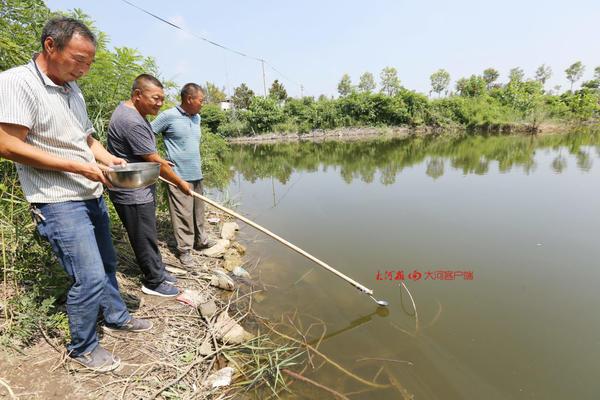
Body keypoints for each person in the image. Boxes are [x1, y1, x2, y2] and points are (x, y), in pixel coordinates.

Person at [0, 17, 152, 372]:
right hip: (56, 199)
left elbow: (85, 139)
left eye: (89, 63)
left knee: (108, 265)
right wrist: (77, 167)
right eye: (78, 60)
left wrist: (108, 159)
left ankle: (116, 316)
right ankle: (83, 346)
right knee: (89, 276)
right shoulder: (17, 83)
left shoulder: (72, 87)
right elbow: (6, 145)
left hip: (90, 191)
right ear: (50, 46)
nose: (83, 69)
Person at [107, 74, 191, 297]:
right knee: (143, 236)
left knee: (148, 233)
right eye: (155, 98)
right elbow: (153, 160)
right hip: (132, 192)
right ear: (137, 95)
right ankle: (153, 281)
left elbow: (147, 156)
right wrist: (181, 183)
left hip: (139, 186)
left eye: (162, 99)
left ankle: (158, 271)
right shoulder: (132, 121)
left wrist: (160, 162)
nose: (160, 103)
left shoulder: (133, 112)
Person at [151, 83, 216, 266]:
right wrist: (159, 159)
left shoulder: (197, 118)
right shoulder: (168, 116)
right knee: (182, 213)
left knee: (198, 210)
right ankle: (184, 250)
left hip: (196, 172)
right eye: (201, 100)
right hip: (177, 175)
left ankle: (201, 240)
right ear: (189, 99)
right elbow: (146, 133)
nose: (203, 104)